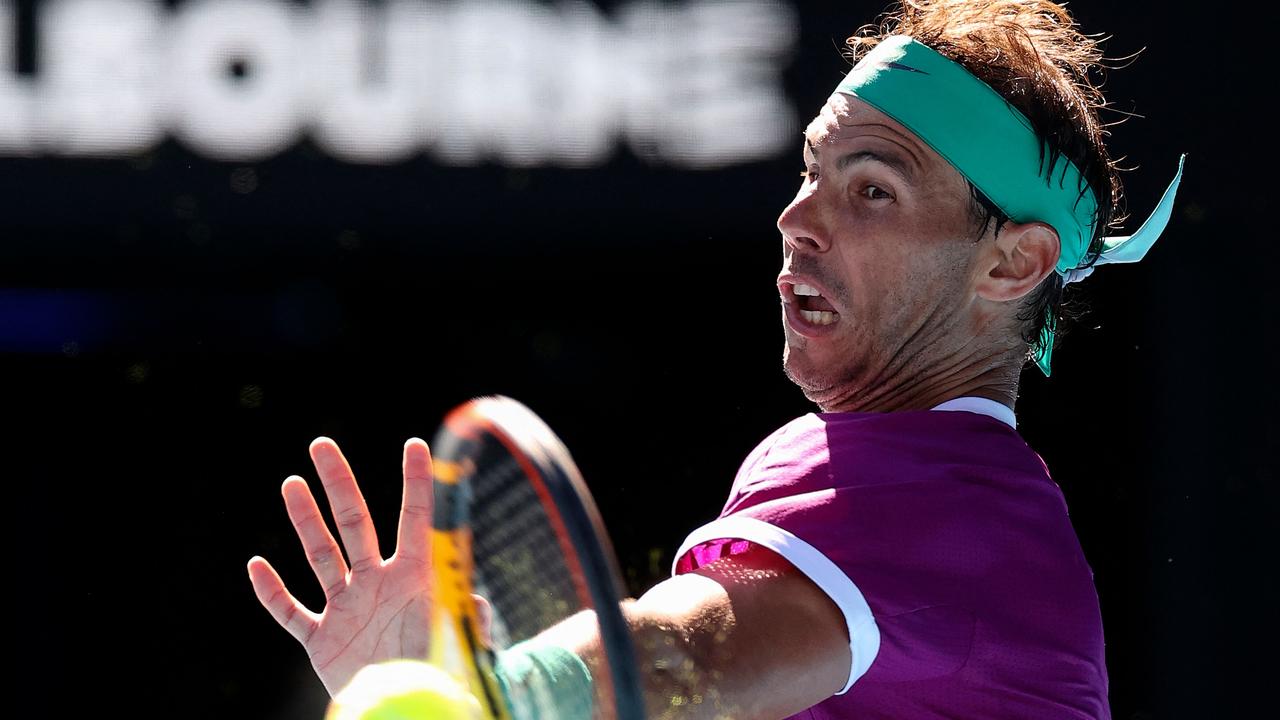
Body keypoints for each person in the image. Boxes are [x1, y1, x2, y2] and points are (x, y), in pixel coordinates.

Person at [248, 1, 1183, 717]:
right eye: (813, 172)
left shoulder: (945, 507)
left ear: (1012, 262)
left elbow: (689, 656)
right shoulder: (905, 483)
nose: (799, 218)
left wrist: (503, 689)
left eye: (872, 190)